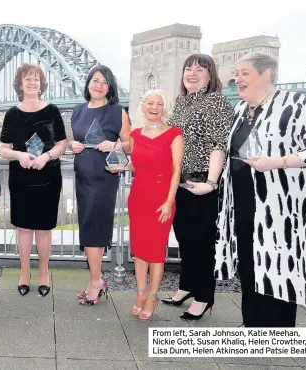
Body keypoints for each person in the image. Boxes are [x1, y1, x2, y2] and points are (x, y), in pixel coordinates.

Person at [215, 52, 306, 327]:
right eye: (236, 73)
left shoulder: (297, 105)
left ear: (267, 74)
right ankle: (252, 324)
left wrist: (278, 162)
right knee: (250, 266)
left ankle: (277, 331)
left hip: (281, 210)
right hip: (243, 205)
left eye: (244, 72)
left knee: (280, 268)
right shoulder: (240, 110)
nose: (237, 79)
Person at [161, 54, 234, 320]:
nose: (192, 72)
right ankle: (187, 287)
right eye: (188, 67)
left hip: (203, 182)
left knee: (201, 242)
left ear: (210, 74)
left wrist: (211, 183)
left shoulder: (216, 101)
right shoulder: (181, 102)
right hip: (179, 181)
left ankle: (203, 296)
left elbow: (219, 145)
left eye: (200, 69)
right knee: (184, 238)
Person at [0, 63, 67, 297]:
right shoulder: (12, 114)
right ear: (19, 84)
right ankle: (24, 273)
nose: (32, 82)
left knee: (44, 229)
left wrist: (46, 157)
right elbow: (3, 149)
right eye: (27, 79)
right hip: (21, 177)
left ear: (42, 84)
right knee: (24, 228)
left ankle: (44, 273)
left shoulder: (52, 111)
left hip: (48, 176)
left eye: (36, 79)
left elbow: (62, 144)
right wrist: (19, 155)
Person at [69, 64, 131, 306]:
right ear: (88, 84)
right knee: (87, 227)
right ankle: (94, 280)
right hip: (82, 176)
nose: (99, 85)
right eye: (95, 80)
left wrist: (114, 145)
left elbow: (130, 144)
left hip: (104, 177)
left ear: (109, 87)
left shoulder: (118, 112)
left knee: (95, 228)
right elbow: (74, 141)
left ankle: (96, 282)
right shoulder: (77, 110)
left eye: (104, 82)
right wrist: (71, 146)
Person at [128, 89, 184, 320]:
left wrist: (169, 202)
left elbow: (176, 170)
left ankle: (153, 296)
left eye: (159, 104)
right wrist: (120, 167)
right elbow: (137, 165)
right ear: (143, 106)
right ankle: (140, 293)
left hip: (161, 198)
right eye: (150, 102)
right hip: (138, 195)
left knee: (155, 251)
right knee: (140, 250)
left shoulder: (174, 134)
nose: (154, 107)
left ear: (164, 108)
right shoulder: (135, 134)